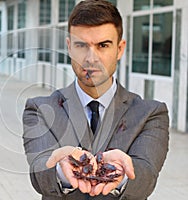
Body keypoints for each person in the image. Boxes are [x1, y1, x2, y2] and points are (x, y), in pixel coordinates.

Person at [22, 0, 169, 199]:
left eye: (103, 45)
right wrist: (60, 169)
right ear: (69, 47)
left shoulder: (150, 114)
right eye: (81, 45)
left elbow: (146, 176)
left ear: (119, 49)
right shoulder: (40, 109)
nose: (91, 58)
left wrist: (121, 174)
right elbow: (39, 173)